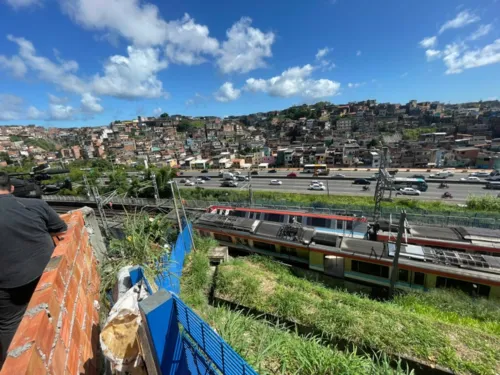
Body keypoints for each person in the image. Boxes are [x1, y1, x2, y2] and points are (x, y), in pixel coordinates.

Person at [0, 172, 67, 368]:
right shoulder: (35, 205)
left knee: (8, 325)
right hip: (44, 275)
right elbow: (61, 230)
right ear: (12, 188)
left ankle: (16, 366)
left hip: (7, 287)